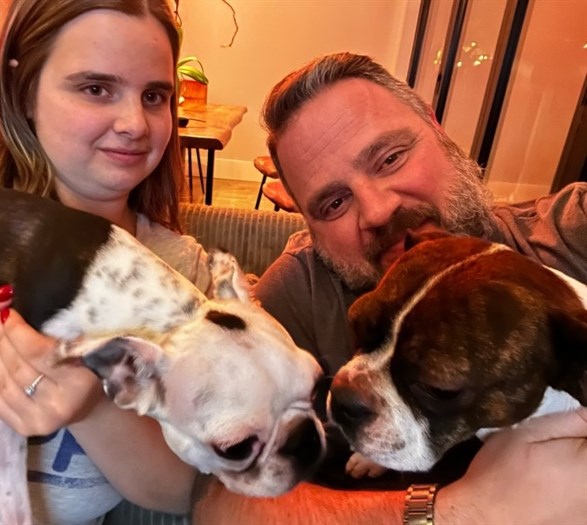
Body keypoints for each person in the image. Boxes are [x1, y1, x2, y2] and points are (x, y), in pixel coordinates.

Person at [192, 52, 587, 524]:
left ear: (437, 128)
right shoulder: (297, 295)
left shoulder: (570, 229)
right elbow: (213, 502)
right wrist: (452, 513)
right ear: (305, 221)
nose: (377, 210)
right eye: (334, 202)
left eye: (390, 158)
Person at [0, 0, 206, 523]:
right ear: (24, 90)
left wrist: (93, 402)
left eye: (155, 96)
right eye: (95, 88)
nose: (134, 123)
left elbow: (178, 490)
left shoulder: (178, 273)